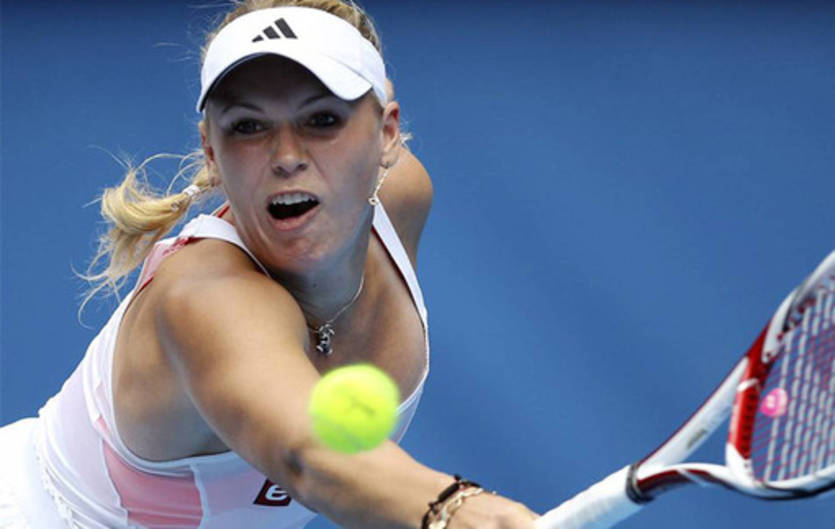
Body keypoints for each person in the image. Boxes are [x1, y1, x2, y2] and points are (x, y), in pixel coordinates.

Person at [0, 1, 539, 528]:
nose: (287, 156)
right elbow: (311, 455)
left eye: (322, 120)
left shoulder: (401, 200)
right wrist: (454, 509)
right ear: (211, 151)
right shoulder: (203, 296)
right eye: (248, 127)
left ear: (387, 133)